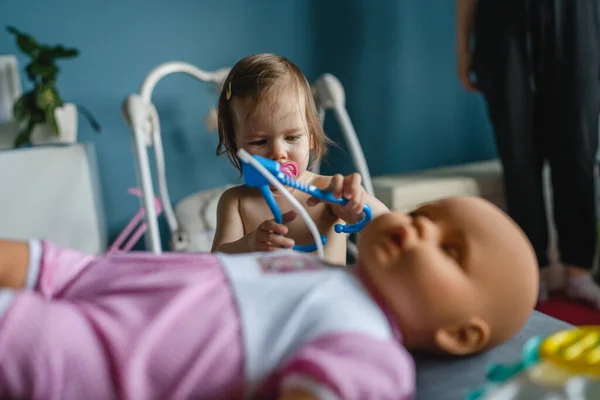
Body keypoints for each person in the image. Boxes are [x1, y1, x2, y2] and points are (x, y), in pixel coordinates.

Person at [0, 196, 538, 400]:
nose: (419, 229)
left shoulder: (372, 349)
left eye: (450, 250)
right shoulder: (331, 274)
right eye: (423, 216)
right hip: (109, 278)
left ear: (459, 333)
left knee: (23, 328)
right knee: (33, 258)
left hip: (109, 356)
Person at [456, 0, 600, 305]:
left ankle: (578, 272)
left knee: (578, 153)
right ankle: (530, 273)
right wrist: (462, 48)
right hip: (503, 23)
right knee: (518, 156)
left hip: (578, 21)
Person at [211, 53, 389, 265]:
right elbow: (215, 262)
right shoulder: (236, 202)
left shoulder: (327, 192)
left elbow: (386, 225)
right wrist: (249, 245)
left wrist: (356, 206)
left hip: (325, 295)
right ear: (235, 149)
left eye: (292, 137)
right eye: (259, 142)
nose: (278, 153)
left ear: (311, 138)